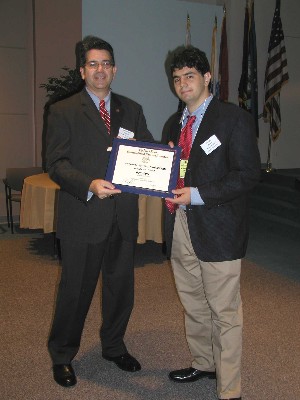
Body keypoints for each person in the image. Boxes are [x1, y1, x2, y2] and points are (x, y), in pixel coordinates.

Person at [46, 35, 153, 388]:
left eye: (106, 63)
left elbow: (145, 150)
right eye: (93, 64)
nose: (100, 70)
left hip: (122, 216)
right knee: (75, 291)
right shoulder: (63, 110)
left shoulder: (131, 109)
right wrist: (89, 184)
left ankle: (114, 345)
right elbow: (56, 163)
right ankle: (62, 354)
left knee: (121, 288)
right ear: (82, 70)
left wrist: (162, 157)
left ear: (115, 69)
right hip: (83, 215)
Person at [163, 46, 261, 400]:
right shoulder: (174, 123)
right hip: (181, 226)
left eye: (190, 76)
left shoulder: (233, 119)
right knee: (192, 301)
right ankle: (204, 363)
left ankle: (230, 388)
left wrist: (198, 194)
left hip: (219, 227)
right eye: (176, 79)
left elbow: (248, 175)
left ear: (207, 78)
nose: (182, 84)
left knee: (224, 310)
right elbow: (171, 174)